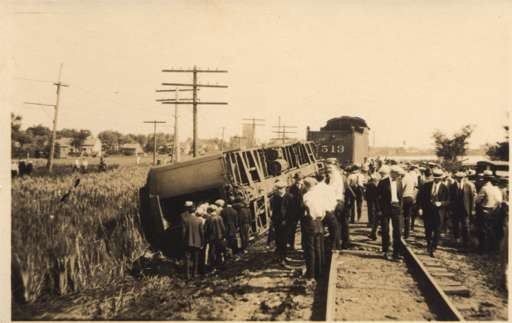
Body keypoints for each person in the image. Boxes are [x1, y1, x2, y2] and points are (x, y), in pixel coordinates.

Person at [417, 168, 450, 257]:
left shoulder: (445, 188)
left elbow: (448, 201)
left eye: (438, 178)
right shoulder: (426, 186)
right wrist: (420, 208)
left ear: (441, 178)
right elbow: (420, 198)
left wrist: (441, 203)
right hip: (428, 211)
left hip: (439, 213)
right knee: (428, 229)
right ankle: (428, 244)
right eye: (435, 177)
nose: (436, 179)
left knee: (437, 230)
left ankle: (434, 247)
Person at [302, 176, 330, 280]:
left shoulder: (307, 196)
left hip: (310, 223)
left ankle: (311, 275)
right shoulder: (320, 195)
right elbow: (323, 211)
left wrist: (310, 215)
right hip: (319, 222)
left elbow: (309, 209)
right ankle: (320, 273)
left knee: (310, 250)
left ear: (306, 186)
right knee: (319, 248)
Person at [376, 165, 404, 260]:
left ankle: (396, 253)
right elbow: (378, 197)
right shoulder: (383, 182)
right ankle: (385, 250)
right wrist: (379, 210)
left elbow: (400, 196)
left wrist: (400, 207)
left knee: (398, 231)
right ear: (392, 173)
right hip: (385, 208)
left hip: (396, 208)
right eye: (397, 174)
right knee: (385, 230)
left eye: (399, 175)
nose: (398, 176)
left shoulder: (400, 182)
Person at [475, 170, 503, 253]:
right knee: (492, 230)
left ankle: (482, 248)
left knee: (482, 230)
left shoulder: (484, 188)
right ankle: (493, 248)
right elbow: (499, 201)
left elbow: (477, 201)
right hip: (495, 211)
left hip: (485, 211)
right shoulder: (497, 189)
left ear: (485, 179)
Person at [449, 171, 476, 250]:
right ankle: (457, 239)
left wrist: (472, 209)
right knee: (456, 225)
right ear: (456, 178)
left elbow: (472, 198)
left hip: (465, 209)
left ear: (464, 178)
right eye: (458, 178)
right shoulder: (452, 186)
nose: (460, 179)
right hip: (455, 210)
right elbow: (450, 198)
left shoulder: (468, 186)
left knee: (465, 226)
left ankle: (466, 243)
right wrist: (450, 209)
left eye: (461, 178)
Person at [181, 201, 205, 279]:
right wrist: (202, 242)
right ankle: (194, 274)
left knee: (187, 259)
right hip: (197, 242)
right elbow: (202, 233)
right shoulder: (199, 221)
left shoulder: (185, 220)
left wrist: (183, 240)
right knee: (196, 259)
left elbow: (183, 232)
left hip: (188, 242)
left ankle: (187, 275)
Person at [283, 172, 305, 251]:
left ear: (302, 179)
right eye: (297, 179)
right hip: (294, 212)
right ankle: (291, 245)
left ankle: (303, 245)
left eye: (300, 179)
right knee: (292, 229)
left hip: (303, 211)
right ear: (295, 180)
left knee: (304, 229)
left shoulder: (304, 187)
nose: (298, 181)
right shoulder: (291, 188)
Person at [270, 181, 288, 266]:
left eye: (281, 188)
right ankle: (281, 257)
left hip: (286, 223)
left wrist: (287, 220)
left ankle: (284, 256)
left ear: (284, 188)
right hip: (277, 222)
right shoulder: (274, 199)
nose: (280, 190)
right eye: (278, 188)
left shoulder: (289, 197)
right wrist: (273, 221)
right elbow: (273, 211)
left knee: (284, 240)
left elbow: (293, 211)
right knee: (278, 240)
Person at [402, 165, 419, 239]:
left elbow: (400, 189)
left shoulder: (404, 179)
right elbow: (415, 187)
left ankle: (401, 232)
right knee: (408, 216)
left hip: (404, 198)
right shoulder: (411, 178)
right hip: (410, 197)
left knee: (401, 216)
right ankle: (407, 233)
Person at [366, 172, 380, 240]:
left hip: (374, 202)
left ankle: (373, 233)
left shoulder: (370, 185)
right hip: (376, 202)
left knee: (376, 218)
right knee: (377, 219)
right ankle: (374, 233)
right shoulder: (375, 185)